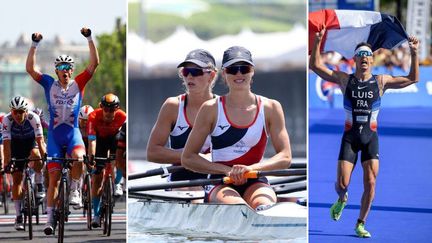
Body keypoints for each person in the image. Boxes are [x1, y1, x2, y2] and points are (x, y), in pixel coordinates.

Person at [309, 28, 419, 238]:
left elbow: (413, 78)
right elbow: (315, 65)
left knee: (370, 182)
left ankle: (360, 223)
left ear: (372, 60)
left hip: (370, 138)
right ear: (355, 60)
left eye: (368, 55)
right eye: (360, 55)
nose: (365, 59)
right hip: (350, 138)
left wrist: (413, 53)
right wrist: (318, 42)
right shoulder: (344, 80)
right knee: (342, 185)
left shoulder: (381, 81)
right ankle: (342, 199)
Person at [182, 46, 292, 210]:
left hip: (256, 178)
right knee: (238, 208)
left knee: (265, 206)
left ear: (252, 71)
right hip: (219, 181)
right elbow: (188, 158)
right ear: (224, 73)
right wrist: (227, 171)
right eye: (233, 70)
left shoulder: (271, 108)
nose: (239, 74)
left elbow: (285, 157)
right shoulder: (211, 108)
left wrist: (250, 169)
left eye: (244, 68)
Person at [26, 27, 99, 235]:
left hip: (73, 132)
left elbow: (94, 64)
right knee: (54, 179)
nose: (65, 71)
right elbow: (30, 70)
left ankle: (75, 188)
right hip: (56, 137)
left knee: (78, 156)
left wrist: (89, 38)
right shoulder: (49, 84)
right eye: (61, 67)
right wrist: (34, 45)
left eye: (68, 67)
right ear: (56, 71)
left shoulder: (79, 83)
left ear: (72, 71)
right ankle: (49, 220)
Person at [146, 49, 218, 183]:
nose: (190, 77)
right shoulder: (172, 106)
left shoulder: (224, 107)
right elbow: (152, 152)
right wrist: (193, 158)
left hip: (216, 179)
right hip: (181, 178)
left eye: (196, 72)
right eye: (186, 71)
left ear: (212, 75)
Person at [2, 96, 46, 231]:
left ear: (26, 111)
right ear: (11, 111)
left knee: (37, 156)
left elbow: (40, 140)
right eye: (15, 112)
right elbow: (6, 144)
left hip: (30, 143)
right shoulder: (7, 120)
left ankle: (39, 184)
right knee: (16, 179)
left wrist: (44, 157)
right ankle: (18, 215)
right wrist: (7, 163)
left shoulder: (33, 118)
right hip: (15, 146)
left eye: (21, 112)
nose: (18, 115)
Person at [87, 93, 126, 228]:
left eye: (112, 110)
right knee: (97, 177)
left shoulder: (123, 117)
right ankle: (96, 215)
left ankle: (118, 183)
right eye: (106, 109)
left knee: (121, 155)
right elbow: (92, 141)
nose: (109, 113)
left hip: (115, 140)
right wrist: (91, 158)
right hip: (100, 142)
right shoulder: (93, 117)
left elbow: (125, 140)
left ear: (117, 109)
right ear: (100, 107)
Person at [115, 122, 126, 188]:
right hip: (119, 144)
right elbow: (119, 151)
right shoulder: (125, 125)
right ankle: (118, 181)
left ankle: (125, 182)